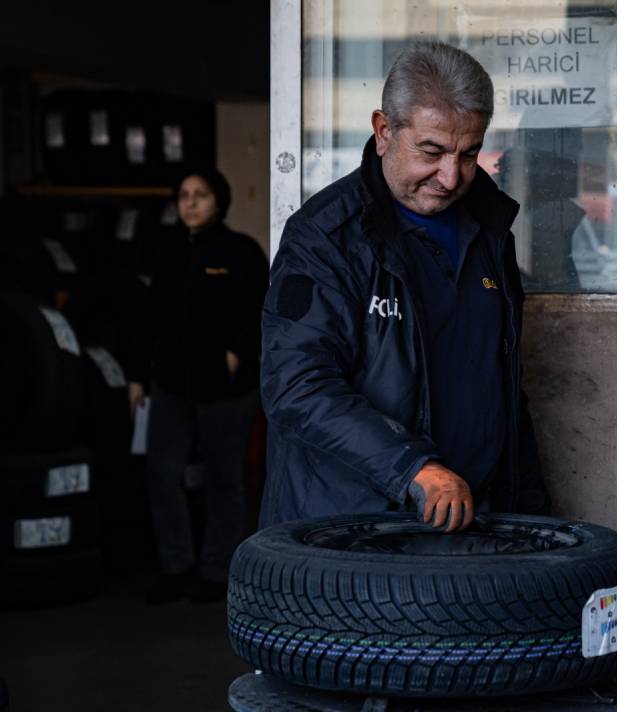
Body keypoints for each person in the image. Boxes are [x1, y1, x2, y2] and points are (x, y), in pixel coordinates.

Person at [258, 41, 548, 533]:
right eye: (431, 152)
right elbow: (297, 386)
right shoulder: (326, 237)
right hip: (354, 530)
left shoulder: (488, 229)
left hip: (477, 521)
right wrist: (412, 468)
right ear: (384, 131)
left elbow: (503, 384)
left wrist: (532, 509)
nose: (451, 176)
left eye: (469, 153)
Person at [128, 168, 268, 604]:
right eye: (183, 196)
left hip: (228, 390)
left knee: (224, 479)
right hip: (170, 385)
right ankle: (176, 566)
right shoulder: (164, 253)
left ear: (219, 202)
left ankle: (216, 570)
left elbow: (262, 311)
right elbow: (145, 319)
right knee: (161, 473)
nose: (189, 203)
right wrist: (136, 377)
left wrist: (235, 355)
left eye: (200, 195)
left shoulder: (241, 252)